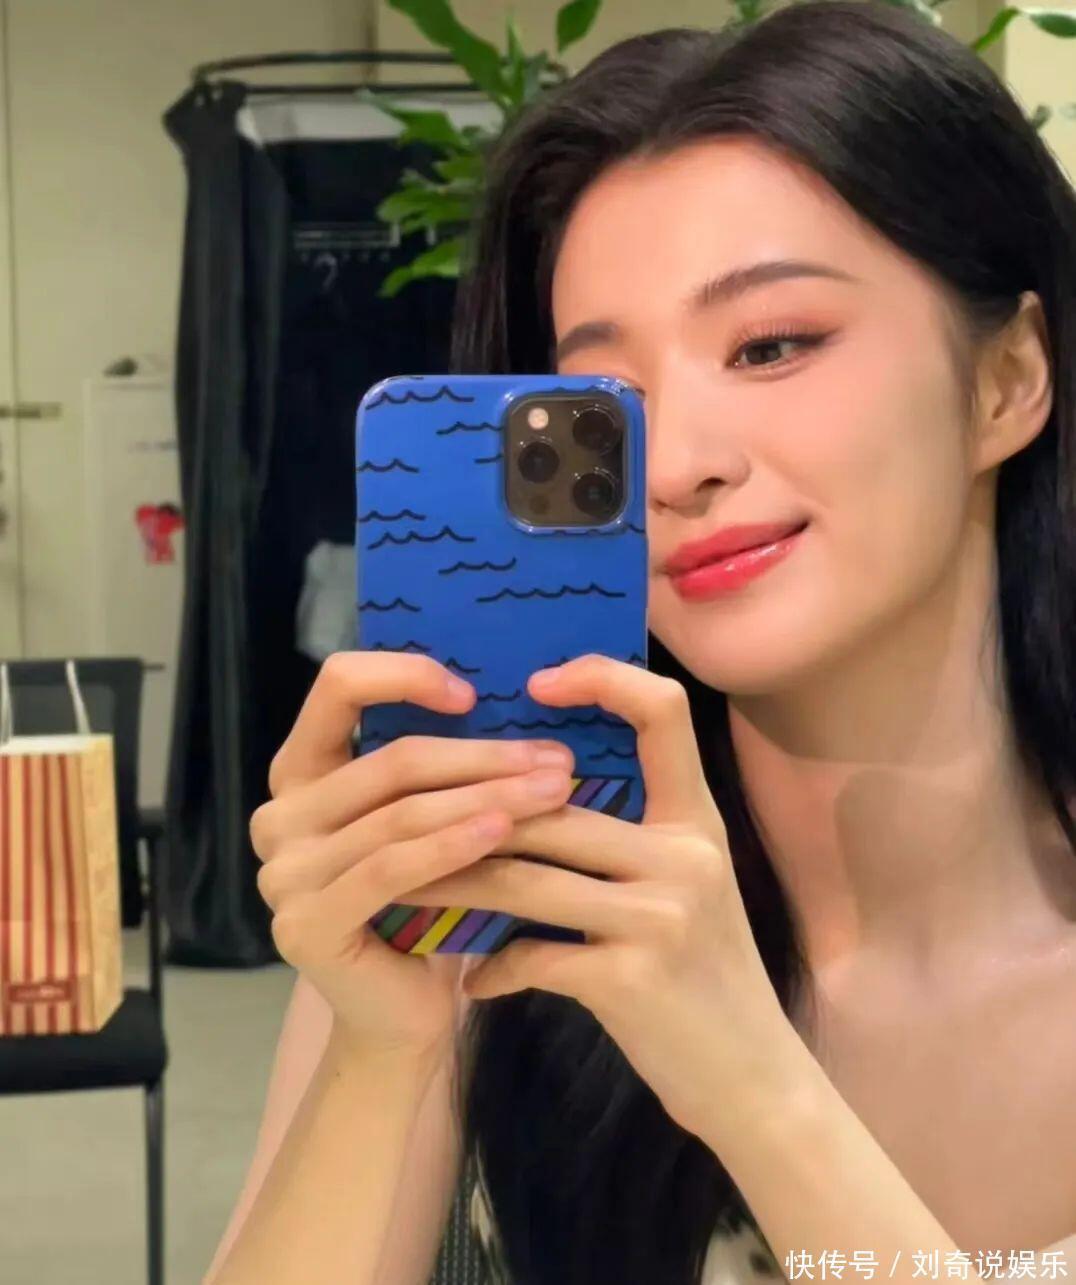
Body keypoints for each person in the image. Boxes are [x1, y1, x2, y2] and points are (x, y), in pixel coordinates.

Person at [203, 2, 1076, 1282]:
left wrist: (753, 1088)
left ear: (1004, 380)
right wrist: (387, 1048)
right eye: (600, 406)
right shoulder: (500, 896)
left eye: (769, 344)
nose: (670, 467)